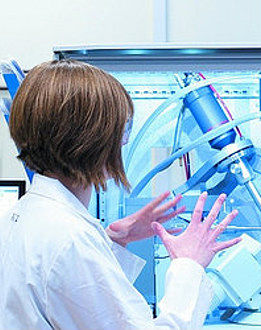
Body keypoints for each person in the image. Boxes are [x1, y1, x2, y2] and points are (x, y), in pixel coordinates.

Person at [0, 59, 241, 329]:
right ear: (90, 139)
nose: (124, 140)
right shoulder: (69, 237)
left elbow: (72, 301)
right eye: (120, 128)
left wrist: (113, 241)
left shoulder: (23, 216)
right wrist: (189, 265)